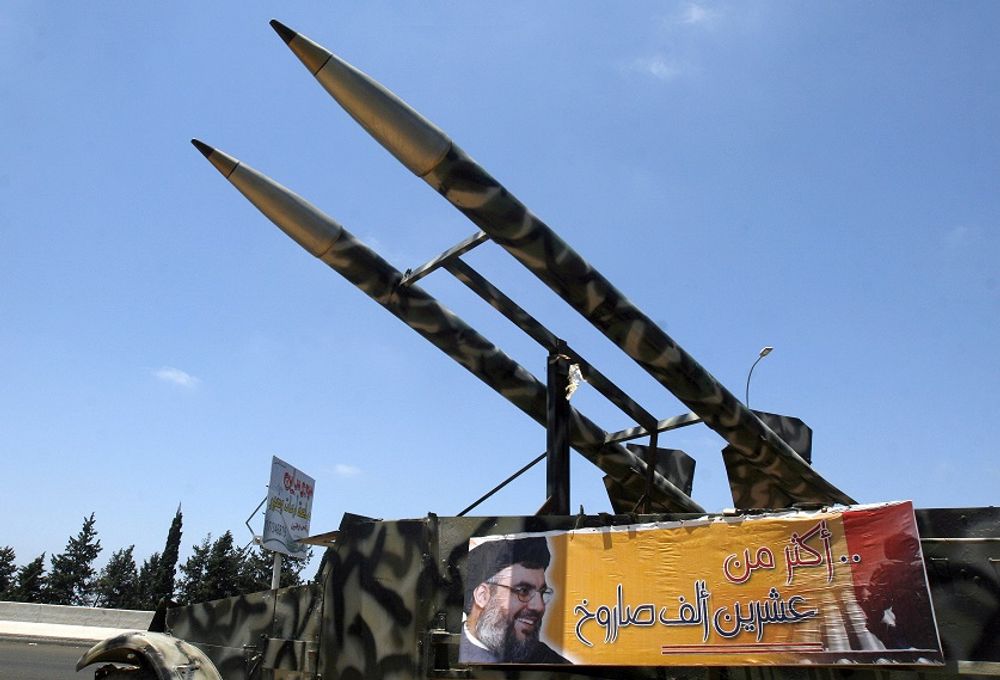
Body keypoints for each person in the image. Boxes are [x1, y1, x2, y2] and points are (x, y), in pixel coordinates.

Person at [460, 536, 569, 664]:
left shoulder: (554, 664)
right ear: (482, 596)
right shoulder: (446, 655)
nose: (539, 606)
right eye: (523, 591)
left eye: (542, 592)